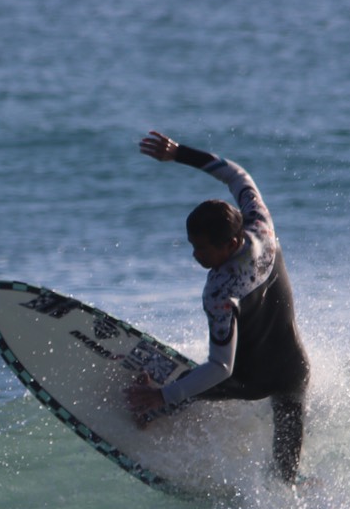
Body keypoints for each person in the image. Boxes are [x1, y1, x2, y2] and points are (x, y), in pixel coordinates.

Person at [124, 131, 310, 482]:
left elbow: (221, 368)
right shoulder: (262, 227)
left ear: (232, 243)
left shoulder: (221, 292)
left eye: (204, 249)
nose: (196, 255)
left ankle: (149, 412)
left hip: (248, 380)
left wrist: (165, 396)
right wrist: (180, 154)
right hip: (295, 372)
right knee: (285, 477)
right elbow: (238, 176)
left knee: (191, 381)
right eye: (193, 245)